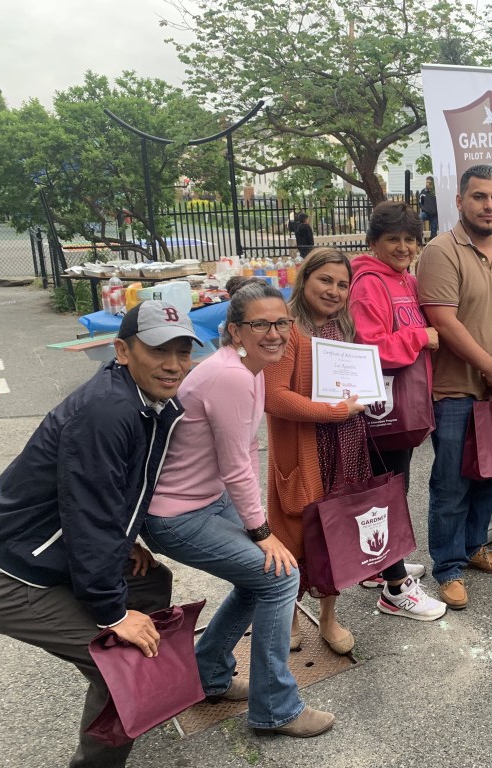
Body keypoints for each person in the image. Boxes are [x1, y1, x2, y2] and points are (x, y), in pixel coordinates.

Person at [0, 300, 200, 768]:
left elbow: (114, 493)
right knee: (125, 658)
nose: (174, 364)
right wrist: (113, 615)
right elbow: (88, 513)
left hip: (50, 556)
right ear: (122, 350)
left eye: (182, 350)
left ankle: (142, 696)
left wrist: (126, 541)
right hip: (14, 581)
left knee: (152, 584)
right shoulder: (107, 410)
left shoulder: (147, 401)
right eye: (158, 350)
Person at [143, 280, 334, 738]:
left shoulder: (246, 371)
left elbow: (246, 453)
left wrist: (257, 527)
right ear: (235, 331)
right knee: (280, 575)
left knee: (261, 577)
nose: (274, 333)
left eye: (281, 322)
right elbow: (235, 464)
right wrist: (261, 530)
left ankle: (207, 674)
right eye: (260, 324)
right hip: (177, 515)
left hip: (208, 499)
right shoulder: (229, 376)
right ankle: (276, 709)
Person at [417, 164, 492, 610]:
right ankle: (447, 566)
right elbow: (443, 320)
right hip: (455, 390)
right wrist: (490, 366)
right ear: (461, 201)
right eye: (480, 197)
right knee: (450, 482)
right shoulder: (441, 252)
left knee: (488, 474)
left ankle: (473, 546)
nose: (489, 206)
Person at [264, 248, 367, 654]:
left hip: (345, 445)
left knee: (335, 533)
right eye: (325, 280)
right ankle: (286, 615)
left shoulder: (346, 329)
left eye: (343, 284)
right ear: (304, 278)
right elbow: (274, 397)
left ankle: (328, 617)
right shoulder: (286, 330)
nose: (334, 291)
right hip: (305, 451)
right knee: (291, 535)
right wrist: (336, 410)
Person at [350, 201, 447, 619]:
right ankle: (394, 587)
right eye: (393, 239)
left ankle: (380, 565)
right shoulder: (368, 283)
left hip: (401, 403)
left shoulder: (404, 279)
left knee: (395, 488)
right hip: (380, 409)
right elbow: (369, 347)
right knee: (386, 493)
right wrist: (420, 337)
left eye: (410, 239)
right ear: (374, 242)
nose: (403, 247)